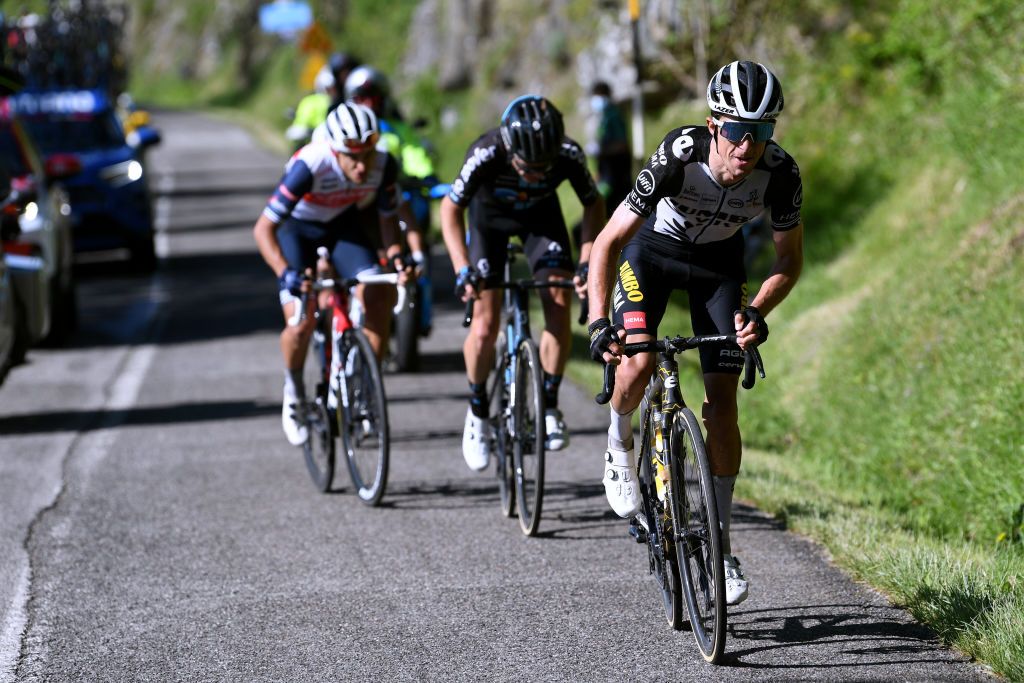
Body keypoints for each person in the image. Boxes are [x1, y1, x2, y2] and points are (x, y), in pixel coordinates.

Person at [586, 61, 803, 606]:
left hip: (718, 270)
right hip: (651, 256)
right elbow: (609, 242)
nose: (746, 146)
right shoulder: (677, 156)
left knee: (722, 406)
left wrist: (756, 309)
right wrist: (596, 322)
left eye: (761, 131)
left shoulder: (781, 173)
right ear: (713, 126)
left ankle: (721, 545)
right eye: (735, 130)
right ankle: (618, 444)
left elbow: (789, 261)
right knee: (635, 363)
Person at [440, 94, 606, 470]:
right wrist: (461, 267)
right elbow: (451, 209)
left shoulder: (567, 153)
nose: (533, 174)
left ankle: (549, 404)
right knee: (484, 324)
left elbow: (594, 204)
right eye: (525, 166)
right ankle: (478, 412)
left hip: (540, 222)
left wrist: (585, 261)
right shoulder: (485, 151)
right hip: (489, 223)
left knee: (560, 303)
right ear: (509, 147)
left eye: (542, 168)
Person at [254, 102, 409, 447]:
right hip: (298, 230)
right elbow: (264, 229)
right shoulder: (310, 166)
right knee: (301, 321)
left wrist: (397, 255)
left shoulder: (383, 164)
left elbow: (387, 218)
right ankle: (294, 391)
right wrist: (286, 274)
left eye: (367, 155)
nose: (361, 166)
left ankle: (365, 387)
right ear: (334, 150)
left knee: (378, 291)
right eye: (351, 157)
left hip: (342, 225)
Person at [345, 64, 441, 334]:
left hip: (398, 196)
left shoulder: (398, 129)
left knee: (419, 233)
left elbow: (415, 155)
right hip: (363, 202)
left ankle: (421, 305)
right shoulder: (344, 130)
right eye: (360, 98)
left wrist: (425, 176)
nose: (368, 104)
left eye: (372, 98)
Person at [587, 81, 632, 211]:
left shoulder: (614, 115)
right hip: (607, 172)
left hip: (618, 173)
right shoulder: (603, 116)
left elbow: (622, 145)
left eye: (599, 96)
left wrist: (601, 151)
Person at [285, 65, 338, 152]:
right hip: (317, 135)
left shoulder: (308, 99)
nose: (333, 91)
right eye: (330, 89)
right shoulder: (328, 101)